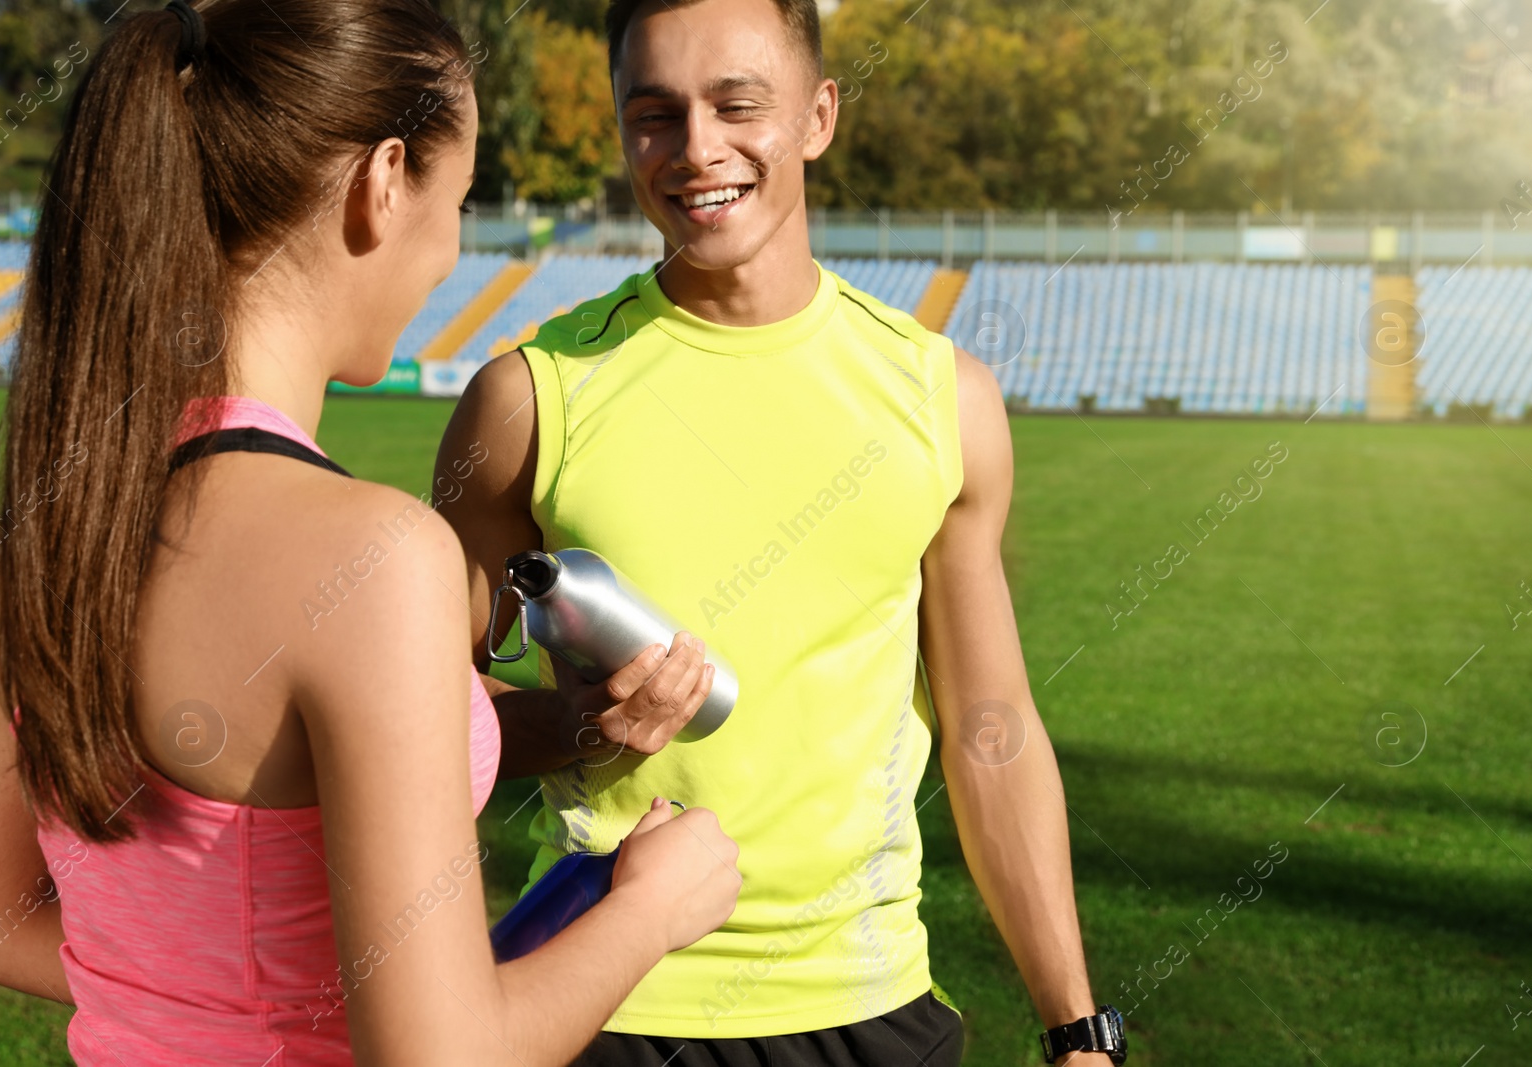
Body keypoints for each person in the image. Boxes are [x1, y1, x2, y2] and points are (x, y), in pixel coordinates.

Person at [0, 2, 739, 1065]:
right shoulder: (374, 557)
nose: (450, 253)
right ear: (384, 181)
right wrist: (650, 908)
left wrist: (567, 728)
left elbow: (11, 911)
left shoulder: (51, 538)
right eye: (461, 200)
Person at [435, 0, 1120, 1063]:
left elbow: (992, 725)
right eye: (654, 114)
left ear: (817, 116)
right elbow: (419, 722)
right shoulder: (527, 402)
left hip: (871, 1003)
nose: (696, 149)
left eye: (736, 105)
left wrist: (1077, 1025)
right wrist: (575, 725)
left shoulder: (944, 399)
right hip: (608, 1001)